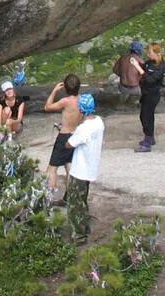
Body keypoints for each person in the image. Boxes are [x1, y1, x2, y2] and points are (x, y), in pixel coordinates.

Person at [64, 93, 104, 243]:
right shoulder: (99, 122)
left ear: (81, 110)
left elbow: (69, 144)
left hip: (79, 171)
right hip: (90, 169)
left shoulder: (84, 128)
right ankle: (85, 225)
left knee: (74, 204)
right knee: (82, 199)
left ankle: (79, 235)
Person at [44, 74, 83, 198]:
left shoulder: (65, 101)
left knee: (52, 168)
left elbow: (47, 107)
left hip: (64, 136)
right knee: (69, 166)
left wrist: (54, 90)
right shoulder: (82, 100)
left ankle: (48, 197)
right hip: (75, 135)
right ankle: (70, 196)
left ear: (65, 88)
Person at [137, 42, 165, 152]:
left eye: (150, 52)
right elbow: (143, 68)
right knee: (144, 116)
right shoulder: (149, 62)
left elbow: (150, 80)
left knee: (147, 117)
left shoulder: (161, 67)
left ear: (156, 53)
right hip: (145, 94)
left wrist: (138, 68)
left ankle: (147, 143)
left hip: (152, 95)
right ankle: (150, 138)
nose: (148, 54)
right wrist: (136, 64)